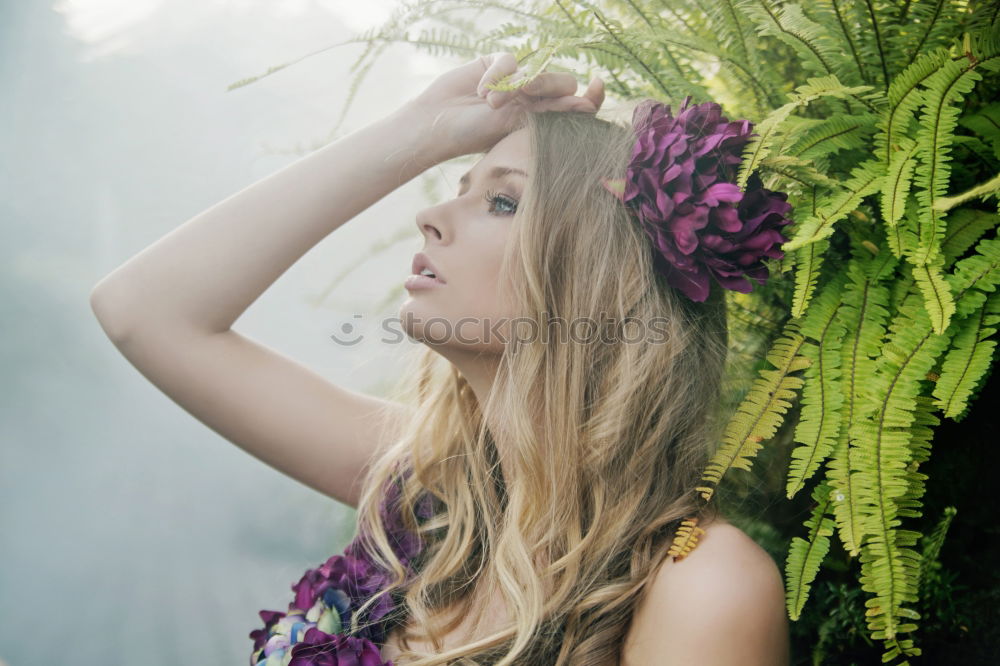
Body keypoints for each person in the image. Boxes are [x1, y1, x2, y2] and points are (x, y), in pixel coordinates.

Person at [90, 52, 790, 665]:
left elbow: (148, 316)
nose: (431, 218)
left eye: (503, 202)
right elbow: (143, 310)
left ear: (604, 275)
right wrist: (419, 134)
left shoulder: (700, 586)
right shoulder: (430, 491)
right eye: (460, 189)